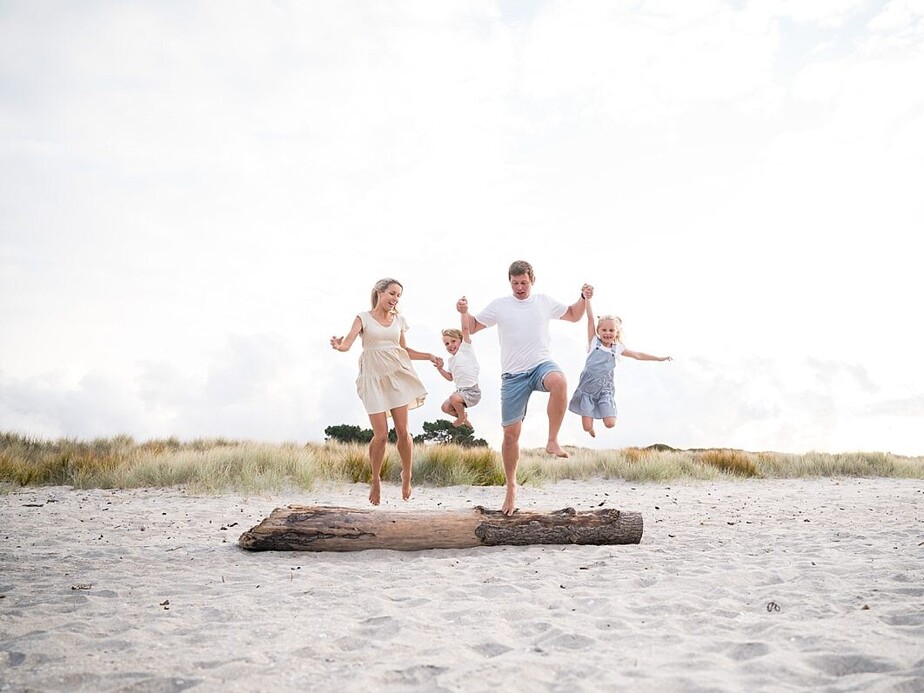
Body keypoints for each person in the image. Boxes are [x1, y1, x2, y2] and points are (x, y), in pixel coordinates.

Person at [457, 260, 593, 515]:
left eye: (524, 283)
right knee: (511, 435)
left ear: (532, 281)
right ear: (510, 282)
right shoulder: (500, 305)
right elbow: (472, 327)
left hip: (541, 365)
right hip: (512, 377)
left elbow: (574, 315)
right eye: (515, 283)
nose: (519, 287)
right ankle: (511, 488)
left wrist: (583, 297)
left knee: (560, 381)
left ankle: (552, 440)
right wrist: (464, 311)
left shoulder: (543, 301)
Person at [331, 278, 440, 506]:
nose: (395, 299)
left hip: (397, 376)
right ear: (379, 293)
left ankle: (406, 474)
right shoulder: (363, 318)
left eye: (398, 295)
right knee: (380, 435)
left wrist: (428, 356)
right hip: (372, 379)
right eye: (392, 293)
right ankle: (376, 479)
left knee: (403, 431)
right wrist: (339, 345)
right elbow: (348, 343)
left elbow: (404, 349)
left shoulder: (399, 320)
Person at [569, 298, 672, 437]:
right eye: (604, 330)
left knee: (610, 424)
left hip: (605, 388)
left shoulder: (617, 348)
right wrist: (587, 298)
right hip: (587, 388)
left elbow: (638, 355)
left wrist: (659, 358)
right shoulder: (594, 342)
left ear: (616, 332)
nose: (607, 333)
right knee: (587, 427)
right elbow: (590, 318)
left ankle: (602, 409)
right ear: (598, 330)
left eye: (611, 330)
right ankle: (590, 425)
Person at [434, 309, 481, 428]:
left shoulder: (466, 349)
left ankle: (461, 418)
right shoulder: (451, 361)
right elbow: (450, 378)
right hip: (460, 392)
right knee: (445, 407)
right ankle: (463, 417)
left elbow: (465, 329)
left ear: (461, 340)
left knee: (453, 398)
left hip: (472, 391)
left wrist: (463, 312)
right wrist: (440, 369)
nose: (450, 345)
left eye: (453, 341)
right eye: (447, 344)